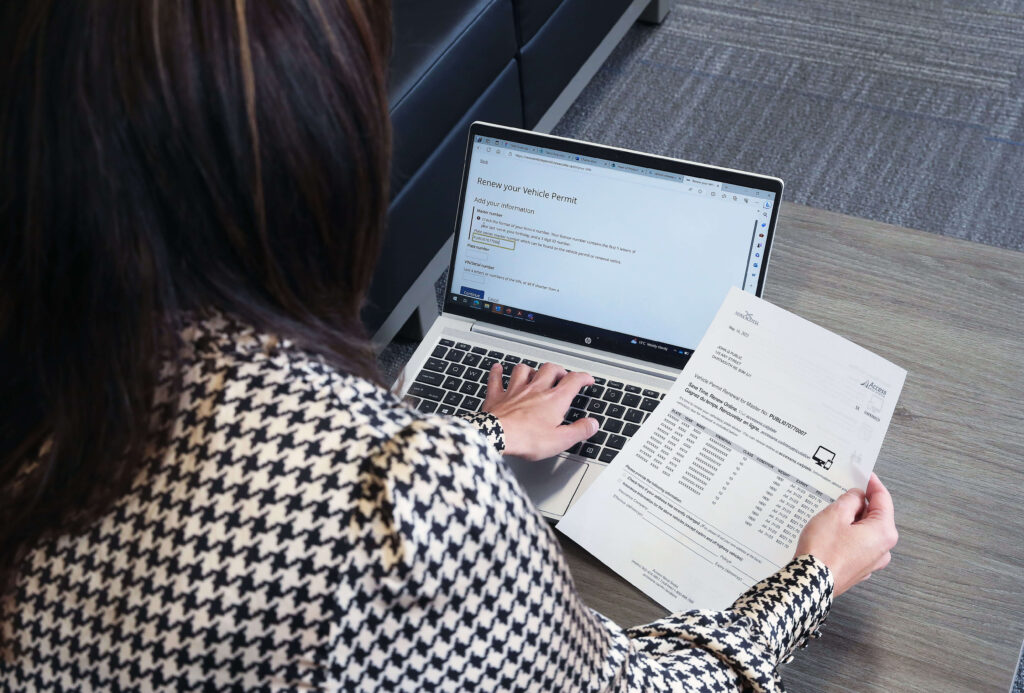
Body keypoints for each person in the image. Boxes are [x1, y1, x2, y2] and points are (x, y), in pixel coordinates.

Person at [0, 1, 897, 690]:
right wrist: (812, 577)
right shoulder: (398, 504)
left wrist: (482, 435)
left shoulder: (49, 447)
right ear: (330, 169)